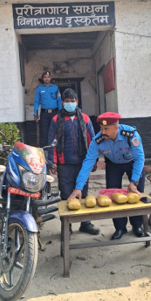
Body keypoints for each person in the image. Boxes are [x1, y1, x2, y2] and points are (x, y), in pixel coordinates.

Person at [67, 112, 145, 240]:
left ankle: (137, 226)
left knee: (136, 194)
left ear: (116, 128)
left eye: (106, 129)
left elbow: (139, 158)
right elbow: (88, 163)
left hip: (133, 164)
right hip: (113, 165)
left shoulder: (131, 135)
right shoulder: (97, 141)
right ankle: (120, 228)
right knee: (113, 196)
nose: (102, 132)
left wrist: (134, 181)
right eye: (101, 128)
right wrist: (78, 187)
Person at [47, 88, 100, 237]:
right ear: (62, 102)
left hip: (83, 163)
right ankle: (67, 227)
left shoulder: (85, 118)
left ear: (77, 102)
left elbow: (92, 140)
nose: (70, 103)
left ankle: (85, 224)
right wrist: (53, 162)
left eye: (72, 101)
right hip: (64, 164)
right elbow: (52, 142)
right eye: (67, 101)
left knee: (83, 194)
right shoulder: (56, 120)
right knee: (65, 195)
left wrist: (94, 160)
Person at [33, 71, 62, 148]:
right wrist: (36, 114)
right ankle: (44, 150)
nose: (47, 78)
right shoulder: (39, 89)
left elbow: (59, 101)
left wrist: (60, 113)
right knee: (44, 133)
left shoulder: (55, 88)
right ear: (42, 79)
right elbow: (36, 102)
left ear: (50, 78)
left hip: (54, 113)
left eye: (48, 77)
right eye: (45, 77)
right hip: (44, 114)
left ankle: (56, 149)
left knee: (56, 131)